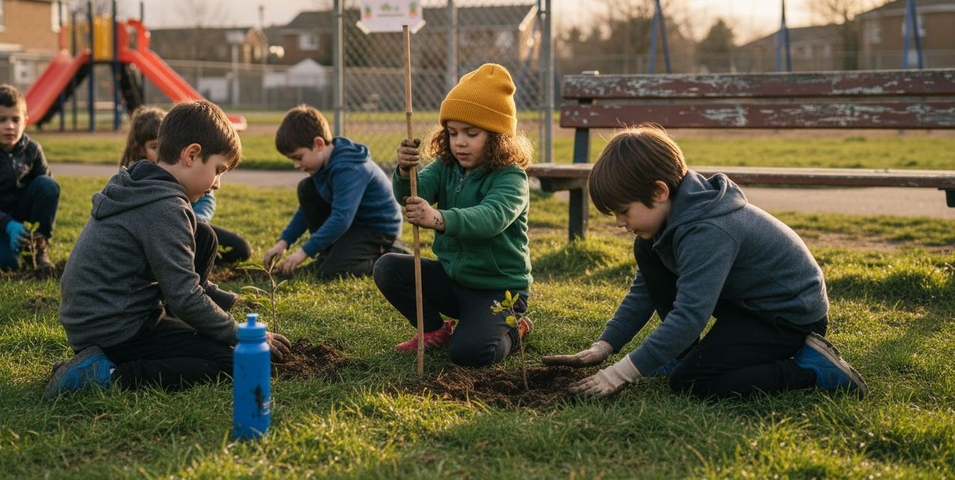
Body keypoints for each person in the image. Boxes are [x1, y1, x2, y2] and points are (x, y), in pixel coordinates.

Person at [542, 125, 868, 400]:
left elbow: (689, 317)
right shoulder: (667, 222)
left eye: (623, 211)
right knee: (646, 251)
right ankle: (682, 354)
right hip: (745, 304)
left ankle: (811, 370)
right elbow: (645, 293)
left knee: (693, 382)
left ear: (658, 192)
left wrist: (619, 374)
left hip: (786, 316)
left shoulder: (708, 231)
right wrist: (604, 346)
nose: (619, 223)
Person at [46, 100, 290, 398]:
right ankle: (103, 374)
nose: (217, 184)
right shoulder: (165, 209)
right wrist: (239, 334)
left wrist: (229, 302)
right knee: (228, 362)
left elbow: (184, 283)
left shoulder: (141, 181)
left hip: (100, 319)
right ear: (191, 154)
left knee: (204, 235)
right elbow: (184, 296)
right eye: (218, 170)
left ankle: (98, 357)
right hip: (114, 329)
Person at [373, 63, 534, 367]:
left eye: (471, 133)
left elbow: (492, 217)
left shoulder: (511, 177)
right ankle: (435, 330)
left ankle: (517, 328)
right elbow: (413, 192)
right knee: (388, 267)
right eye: (452, 132)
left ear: (499, 136)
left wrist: (439, 219)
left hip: (498, 291)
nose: (459, 142)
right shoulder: (447, 166)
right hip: (452, 280)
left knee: (470, 354)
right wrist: (405, 170)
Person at [261, 105, 404, 279]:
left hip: (376, 229)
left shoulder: (349, 168)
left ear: (318, 144)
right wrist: (283, 243)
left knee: (330, 272)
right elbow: (305, 212)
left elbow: (341, 218)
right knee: (306, 189)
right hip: (353, 225)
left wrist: (303, 252)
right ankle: (334, 254)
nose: (296, 165)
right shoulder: (322, 164)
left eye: (298, 157)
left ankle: (387, 256)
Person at [120, 106, 253, 267]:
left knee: (237, 247)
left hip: (191, 225)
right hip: (158, 236)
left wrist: (192, 222)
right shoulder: (135, 178)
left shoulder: (193, 176)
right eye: (155, 146)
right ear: (140, 149)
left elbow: (206, 201)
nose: (163, 150)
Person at [0, 84, 59, 271]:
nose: (10, 126)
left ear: (25, 121)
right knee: (6, 264)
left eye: (16, 119)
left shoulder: (33, 149)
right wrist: (8, 225)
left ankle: (38, 248)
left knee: (48, 185)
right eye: (1, 119)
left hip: (18, 211)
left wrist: (32, 228)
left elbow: (46, 193)